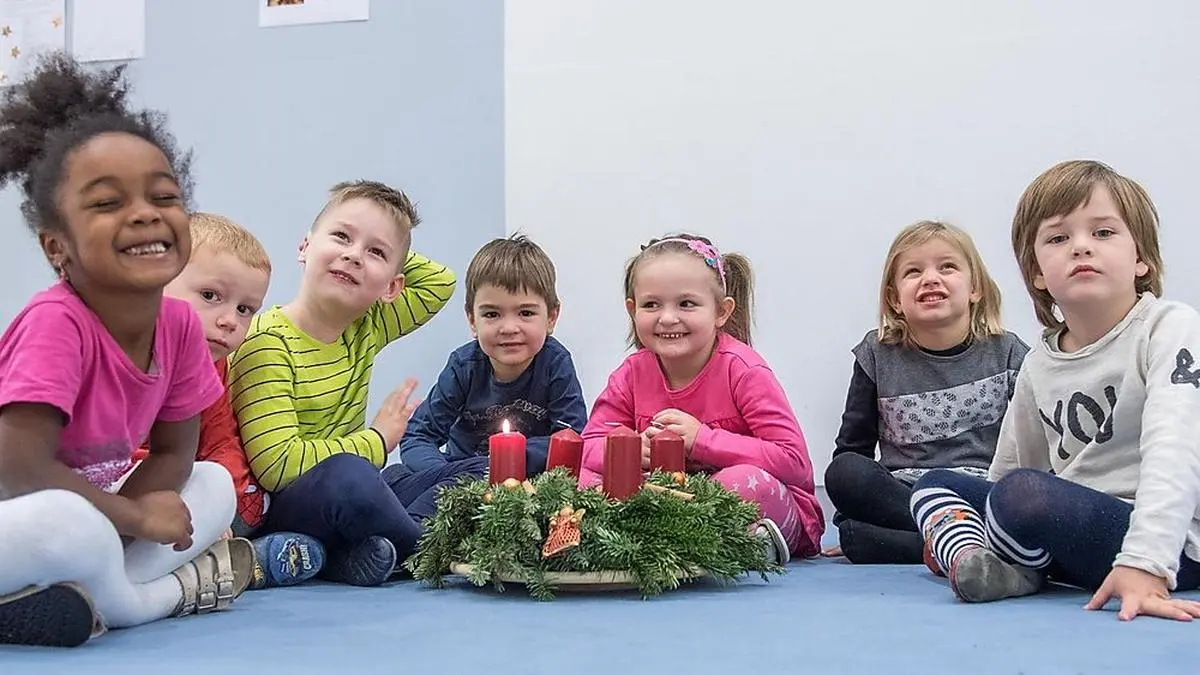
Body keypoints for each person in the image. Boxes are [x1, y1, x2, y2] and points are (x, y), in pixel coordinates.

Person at [0, 53, 253, 648]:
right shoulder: (56, 323)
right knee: (71, 525)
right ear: (57, 247)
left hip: (83, 517)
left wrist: (131, 515)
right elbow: (19, 470)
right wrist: (134, 520)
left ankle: (79, 596)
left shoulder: (180, 327)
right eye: (108, 203)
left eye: (163, 196)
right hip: (22, 508)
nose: (144, 214)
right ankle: (149, 601)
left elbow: (174, 453)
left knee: (213, 485)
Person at [911, 159, 1200, 622]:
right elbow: (1009, 467)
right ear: (1039, 273)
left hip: (1170, 544)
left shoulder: (1168, 328)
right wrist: (992, 510)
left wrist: (1147, 563)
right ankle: (981, 562)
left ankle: (1007, 560)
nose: (1081, 247)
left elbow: (1177, 450)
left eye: (1103, 233)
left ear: (1141, 258)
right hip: (1070, 526)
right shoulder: (1039, 362)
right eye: (1058, 238)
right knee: (936, 485)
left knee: (1022, 495)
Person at [228, 179, 458, 587]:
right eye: (340, 236)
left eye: (374, 252)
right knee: (351, 477)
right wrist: (378, 440)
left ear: (392, 287)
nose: (353, 255)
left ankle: (358, 555)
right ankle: (427, 549)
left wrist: (392, 234)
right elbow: (277, 466)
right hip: (285, 504)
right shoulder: (266, 342)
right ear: (305, 248)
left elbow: (441, 283)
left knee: (477, 466)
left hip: (354, 493)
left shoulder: (369, 324)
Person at [579, 234, 824, 564]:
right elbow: (587, 446)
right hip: (666, 498)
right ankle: (659, 546)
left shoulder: (744, 370)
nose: (667, 318)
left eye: (686, 304)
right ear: (632, 310)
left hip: (755, 504)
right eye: (652, 305)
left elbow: (795, 464)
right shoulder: (631, 374)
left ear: (721, 311)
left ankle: (749, 543)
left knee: (743, 483)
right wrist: (632, 450)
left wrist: (703, 441)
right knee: (582, 480)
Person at [130, 212, 325, 589]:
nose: (229, 321)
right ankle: (240, 565)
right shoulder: (127, 356)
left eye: (244, 309)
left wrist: (223, 501)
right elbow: (102, 453)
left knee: (251, 498)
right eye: (210, 296)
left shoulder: (213, 367)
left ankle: (233, 553)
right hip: (123, 491)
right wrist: (177, 487)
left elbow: (222, 440)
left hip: (186, 494)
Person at [821, 221, 1028, 564]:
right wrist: (851, 513)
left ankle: (932, 540)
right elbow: (852, 447)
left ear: (975, 288)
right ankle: (964, 542)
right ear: (894, 298)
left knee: (863, 541)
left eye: (947, 267)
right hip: (905, 492)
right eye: (913, 271)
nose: (930, 278)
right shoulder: (876, 354)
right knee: (845, 474)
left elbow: (1034, 444)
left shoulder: (1008, 353)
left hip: (977, 491)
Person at [397, 234, 588, 486]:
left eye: (526, 312)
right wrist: (448, 478)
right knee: (393, 478)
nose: (509, 327)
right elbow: (417, 436)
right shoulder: (464, 366)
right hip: (462, 484)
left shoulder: (555, 363)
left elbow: (571, 437)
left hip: (531, 487)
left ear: (552, 317)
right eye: (492, 314)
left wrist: (510, 458)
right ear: (472, 320)